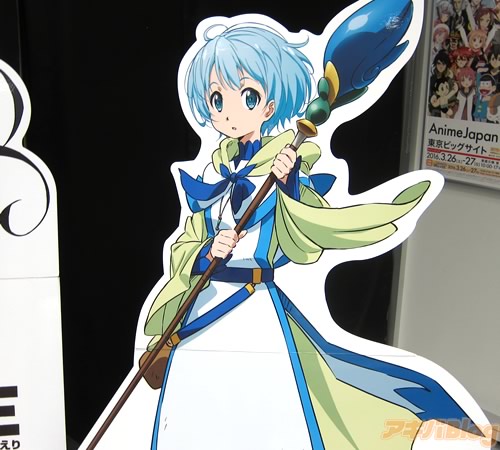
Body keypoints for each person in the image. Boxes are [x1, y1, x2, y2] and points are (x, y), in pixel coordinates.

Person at [141, 16, 487, 450]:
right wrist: (206, 251)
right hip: (203, 308)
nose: (228, 110)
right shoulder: (212, 175)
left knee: (261, 416)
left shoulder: (284, 166)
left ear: (269, 105)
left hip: (251, 310)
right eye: (215, 98)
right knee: (193, 416)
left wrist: (287, 186)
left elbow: (303, 238)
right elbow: (185, 244)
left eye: (246, 95)